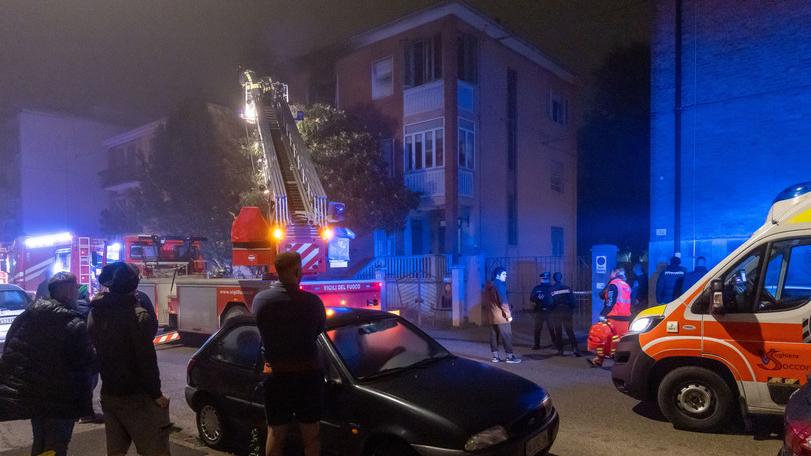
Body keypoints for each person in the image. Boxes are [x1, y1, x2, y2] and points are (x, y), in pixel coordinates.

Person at [0, 272, 96, 456]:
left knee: (41, 441)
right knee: (56, 444)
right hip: (61, 398)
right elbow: (87, 361)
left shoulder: (29, 316)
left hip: (35, 396)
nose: (77, 293)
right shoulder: (73, 324)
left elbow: (11, 350)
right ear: (68, 292)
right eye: (75, 289)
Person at [88, 262, 171, 456]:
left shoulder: (96, 311)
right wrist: (156, 394)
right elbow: (146, 359)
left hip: (109, 392)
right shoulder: (138, 315)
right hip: (136, 396)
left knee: (116, 451)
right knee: (155, 450)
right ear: (133, 285)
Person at [253, 252, 326, 456]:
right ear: (297, 271)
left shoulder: (261, 300)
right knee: (311, 434)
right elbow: (319, 329)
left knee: (276, 433)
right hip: (307, 376)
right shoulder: (312, 302)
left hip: (276, 377)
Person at [588, 267, 632, 367]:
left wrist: (604, 313)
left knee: (602, 337)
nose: (610, 275)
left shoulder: (614, 284)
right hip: (625, 317)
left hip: (613, 315)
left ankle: (599, 360)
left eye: (611, 273)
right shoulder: (626, 285)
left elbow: (610, 301)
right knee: (620, 340)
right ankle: (622, 363)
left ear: (614, 273)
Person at [484, 267, 521, 364]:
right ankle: (509, 357)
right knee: (507, 336)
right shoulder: (499, 285)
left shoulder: (489, 285)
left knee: (493, 336)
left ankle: (495, 357)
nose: (506, 276)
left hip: (492, 316)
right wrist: (508, 315)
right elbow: (503, 301)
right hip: (501, 316)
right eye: (504, 274)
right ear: (498, 275)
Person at [550, 272, 581, 356]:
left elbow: (550, 302)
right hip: (567, 311)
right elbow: (573, 301)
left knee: (558, 331)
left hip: (557, 311)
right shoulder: (567, 288)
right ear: (561, 278)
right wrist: (571, 309)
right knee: (569, 330)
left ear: (554, 279)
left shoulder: (551, 289)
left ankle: (560, 350)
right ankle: (575, 348)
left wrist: (551, 309)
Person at [529, 272, 557, 350]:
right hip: (539, 311)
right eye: (544, 279)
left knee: (551, 328)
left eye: (546, 279)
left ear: (549, 279)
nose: (545, 280)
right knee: (537, 329)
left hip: (549, 311)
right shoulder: (537, 288)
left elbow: (556, 299)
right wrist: (537, 298)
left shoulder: (552, 288)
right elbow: (531, 298)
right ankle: (536, 345)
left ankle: (555, 343)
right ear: (541, 279)